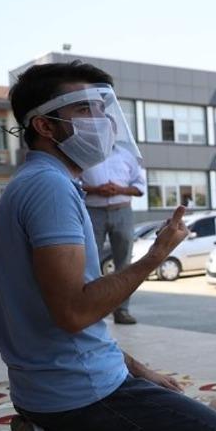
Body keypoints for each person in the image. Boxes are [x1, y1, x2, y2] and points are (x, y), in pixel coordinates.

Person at [0, 61, 216, 431]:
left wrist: (140, 370)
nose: (104, 122)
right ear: (43, 125)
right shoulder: (50, 189)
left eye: (104, 109)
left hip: (49, 388)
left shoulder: (37, 183)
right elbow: (75, 312)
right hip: (78, 394)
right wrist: (156, 255)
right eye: (86, 110)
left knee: (188, 415)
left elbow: (60, 318)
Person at [81, 137, 146, 324]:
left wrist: (120, 189)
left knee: (124, 261)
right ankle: (90, 309)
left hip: (122, 210)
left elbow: (140, 186)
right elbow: (73, 182)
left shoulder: (127, 156)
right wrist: (96, 189)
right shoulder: (84, 155)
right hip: (93, 211)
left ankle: (122, 310)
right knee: (90, 260)